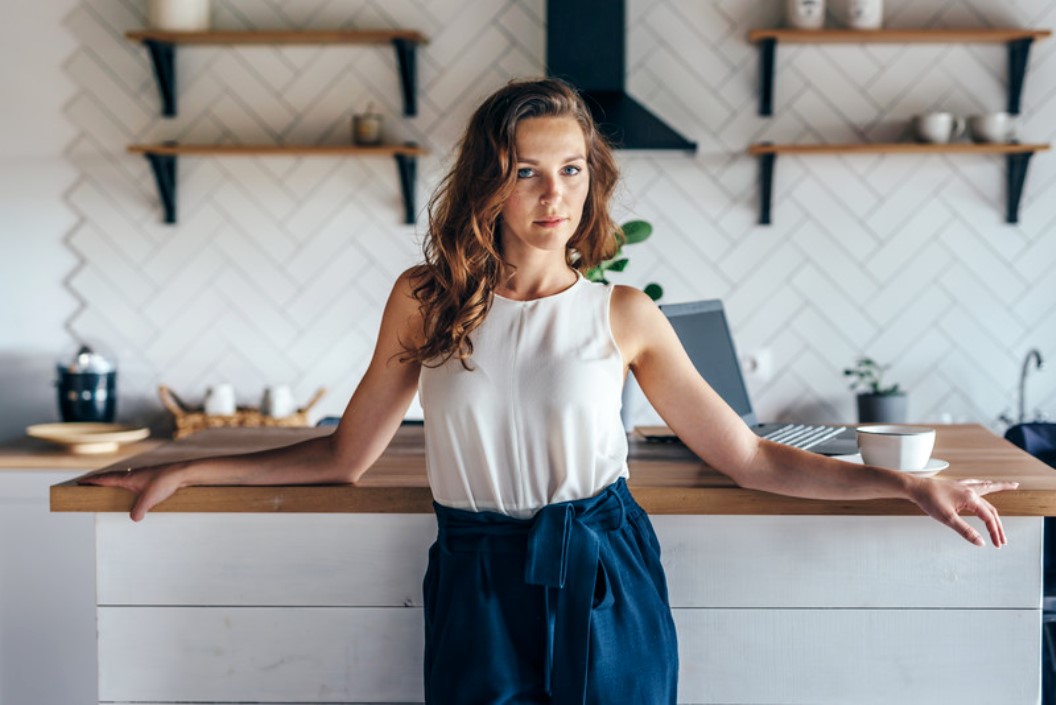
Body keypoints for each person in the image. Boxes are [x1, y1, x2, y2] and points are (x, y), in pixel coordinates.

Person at [82, 78, 1018, 704]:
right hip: (476, 576)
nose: (552, 193)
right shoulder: (427, 299)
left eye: (570, 169)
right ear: (491, 179)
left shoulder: (624, 312)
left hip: (605, 568)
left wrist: (906, 483)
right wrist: (192, 464)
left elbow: (747, 457)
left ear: (591, 178)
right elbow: (343, 456)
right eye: (528, 170)